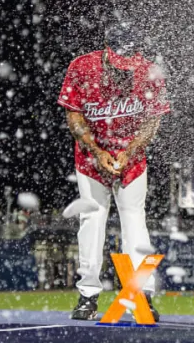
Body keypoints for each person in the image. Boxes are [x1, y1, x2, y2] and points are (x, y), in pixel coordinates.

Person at [58, 22, 169, 321]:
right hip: (92, 157)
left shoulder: (148, 72)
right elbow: (75, 117)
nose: (125, 71)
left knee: (134, 220)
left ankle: (140, 294)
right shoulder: (82, 67)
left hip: (131, 157)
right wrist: (99, 151)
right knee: (92, 219)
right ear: (108, 52)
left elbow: (152, 123)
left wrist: (129, 150)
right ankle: (88, 295)